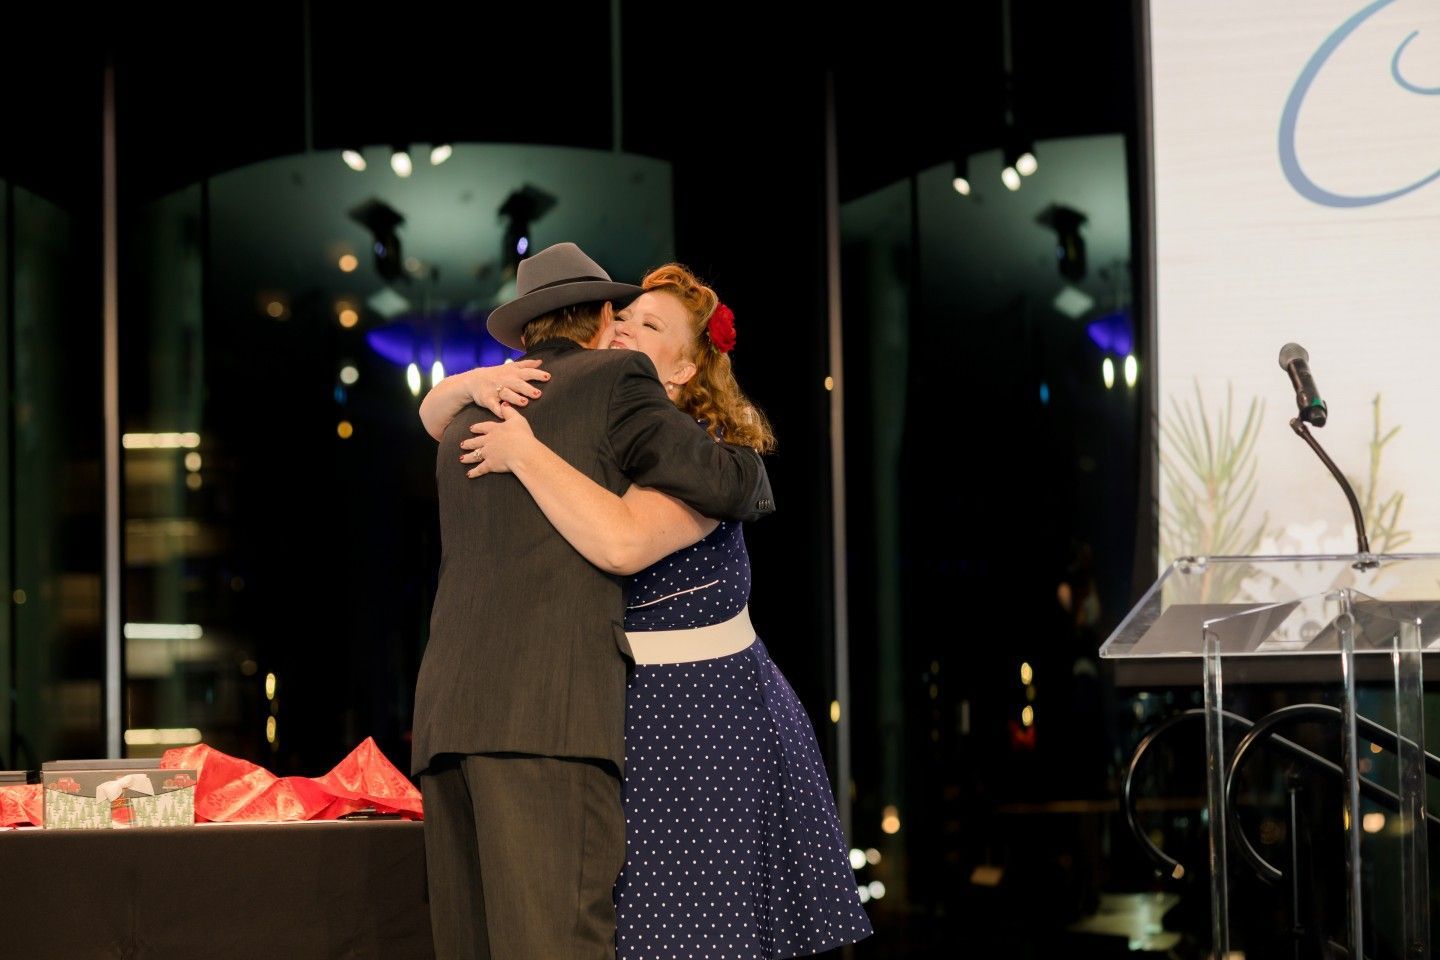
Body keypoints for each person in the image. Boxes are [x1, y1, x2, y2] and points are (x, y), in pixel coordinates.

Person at [453, 264, 872, 958]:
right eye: (621, 319)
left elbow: (621, 543)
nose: (623, 331)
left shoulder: (698, 455)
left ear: (683, 371)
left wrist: (524, 453)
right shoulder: (598, 433)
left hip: (704, 719)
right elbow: (436, 419)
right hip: (622, 709)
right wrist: (470, 385)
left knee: (691, 927)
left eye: (649, 326)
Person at [411, 243, 775, 960]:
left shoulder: (467, 415)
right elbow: (731, 484)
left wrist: (470, 389)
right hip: (549, 720)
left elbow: (434, 416)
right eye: (625, 319)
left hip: (450, 718)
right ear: (604, 316)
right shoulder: (613, 381)